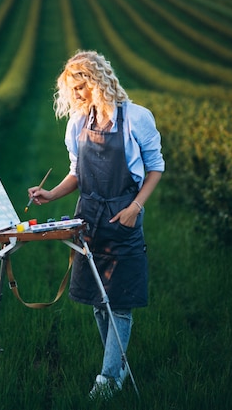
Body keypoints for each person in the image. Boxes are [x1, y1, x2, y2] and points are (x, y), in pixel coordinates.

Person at [28, 50, 165, 399]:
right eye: (70, 89)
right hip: (87, 215)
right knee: (97, 297)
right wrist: (50, 194)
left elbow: (155, 168)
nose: (73, 95)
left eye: (78, 87)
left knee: (119, 300)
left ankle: (106, 379)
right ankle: (117, 367)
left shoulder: (136, 118)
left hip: (123, 213)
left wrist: (135, 207)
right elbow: (77, 174)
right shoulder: (78, 123)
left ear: (97, 81)